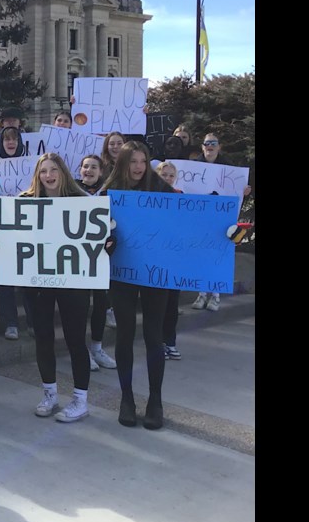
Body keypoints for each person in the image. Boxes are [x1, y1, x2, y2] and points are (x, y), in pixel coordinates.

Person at [0, 153, 104, 423]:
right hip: (37, 280)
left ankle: (80, 400)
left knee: (76, 339)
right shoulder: (24, 202)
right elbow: (8, 237)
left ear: (63, 172)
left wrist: (108, 241)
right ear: (37, 175)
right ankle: (50, 393)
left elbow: (104, 236)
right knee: (43, 338)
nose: (48, 175)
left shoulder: (83, 203)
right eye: (43, 171)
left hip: (73, 281)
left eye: (54, 170)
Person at [100, 141, 175, 430]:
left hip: (156, 274)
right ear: (123, 163)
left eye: (143, 161)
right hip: (121, 274)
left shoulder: (162, 190)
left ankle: (155, 400)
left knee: (154, 336)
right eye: (133, 161)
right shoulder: (109, 192)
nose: (138, 167)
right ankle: (127, 398)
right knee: (124, 335)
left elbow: (188, 221)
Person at [191, 132, 251, 312]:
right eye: (206, 143)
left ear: (219, 146)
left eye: (213, 143)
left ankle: (215, 296)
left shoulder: (229, 167)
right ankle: (201, 294)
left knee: (219, 256)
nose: (210, 146)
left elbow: (236, 189)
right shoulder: (194, 167)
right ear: (202, 146)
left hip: (222, 219)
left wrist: (244, 191)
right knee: (201, 255)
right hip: (201, 218)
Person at [0, 126, 34, 341]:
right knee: (5, 280)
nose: (11, 143)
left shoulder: (30, 165)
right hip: (2, 229)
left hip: (27, 227)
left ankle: (33, 321)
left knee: (29, 279)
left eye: (14, 139)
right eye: (7, 139)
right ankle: (10, 322)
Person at [77, 155, 117, 370]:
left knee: (101, 304)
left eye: (94, 167)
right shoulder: (71, 191)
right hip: (77, 256)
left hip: (101, 256)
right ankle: (83, 350)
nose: (89, 170)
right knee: (81, 306)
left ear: (101, 171)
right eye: (85, 167)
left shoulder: (110, 193)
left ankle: (97, 348)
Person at [155, 161, 184, 360]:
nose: (167, 178)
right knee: (157, 304)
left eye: (171, 175)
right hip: (154, 257)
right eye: (164, 174)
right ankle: (158, 343)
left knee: (172, 303)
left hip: (174, 258)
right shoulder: (148, 197)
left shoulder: (181, 197)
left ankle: (170, 341)